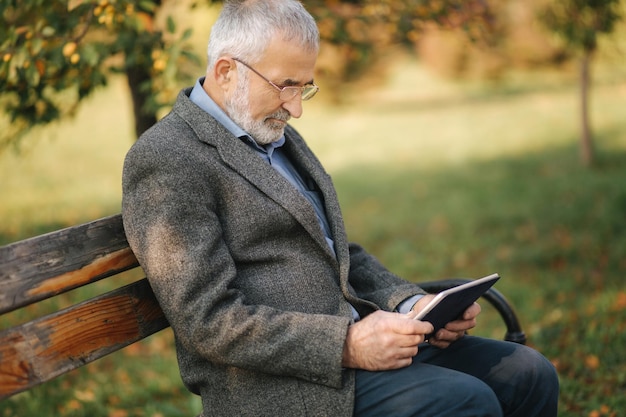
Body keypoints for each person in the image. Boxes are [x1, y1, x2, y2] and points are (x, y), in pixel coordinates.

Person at [121, 1, 559, 416]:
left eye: (303, 87)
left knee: (529, 374)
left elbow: (336, 250)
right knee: (465, 401)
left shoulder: (273, 135)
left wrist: (414, 307)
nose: (295, 108)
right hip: (286, 386)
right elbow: (209, 322)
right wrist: (347, 344)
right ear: (225, 70)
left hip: (360, 345)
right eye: (285, 86)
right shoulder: (166, 159)